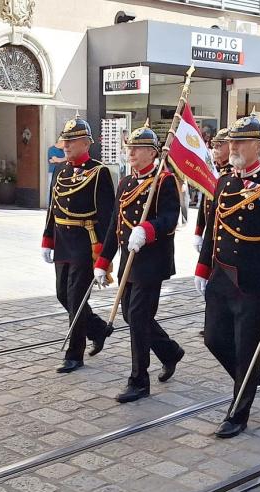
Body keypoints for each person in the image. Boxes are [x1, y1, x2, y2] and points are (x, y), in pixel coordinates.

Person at [194, 114, 260, 439]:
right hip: (222, 277)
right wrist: (202, 267)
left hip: (252, 281)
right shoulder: (224, 182)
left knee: (248, 348)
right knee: (213, 338)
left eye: (240, 142)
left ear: (258, 147)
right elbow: (214, 228)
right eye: (231, 142)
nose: (233, 147)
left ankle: (238, 413)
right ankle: (250, 375)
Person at [93, 124, 184, 403]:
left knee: (138, 319)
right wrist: (103, 261)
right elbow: (113, 226)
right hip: (128, 262)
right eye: (129, 147)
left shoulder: (164, 180)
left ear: (152, 152)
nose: (130, 152)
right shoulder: (125, 182)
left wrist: (147, 229)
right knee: (132, 316)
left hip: (151, 262)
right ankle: (169, 351)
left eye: (137, 148)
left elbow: (170, 218)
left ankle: (138, 381)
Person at [42, 116, 115, 373]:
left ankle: (75, 354)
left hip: (85, 244)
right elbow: (53, 208)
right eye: (65, 140)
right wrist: (47, 239)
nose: (65, 145)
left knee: (75, 298)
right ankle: (98, 328)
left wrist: (105, 257)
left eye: (71, 141)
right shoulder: (61, 171)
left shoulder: (99, 172)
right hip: (63, 242)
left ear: (86, 143)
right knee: (63, 294)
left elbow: (108, 217)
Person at [193, 128, 231, 254]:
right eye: (214, 145)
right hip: (210, 232)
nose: (215, 148)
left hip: (226, 235)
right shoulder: (213, 170)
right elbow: (205, 203)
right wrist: (198, 231)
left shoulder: (234, 173)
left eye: (220, 145)